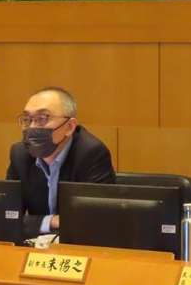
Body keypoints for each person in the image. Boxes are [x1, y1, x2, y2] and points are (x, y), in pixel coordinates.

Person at [7, 86, 116, 240]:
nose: (31, 127)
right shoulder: (20, 154)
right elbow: (6, 217)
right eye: (27, 119)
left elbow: (96, 221)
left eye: (42, 119)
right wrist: (52, 221)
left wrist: (35, 223)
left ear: (69, 127)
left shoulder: (91, 154)